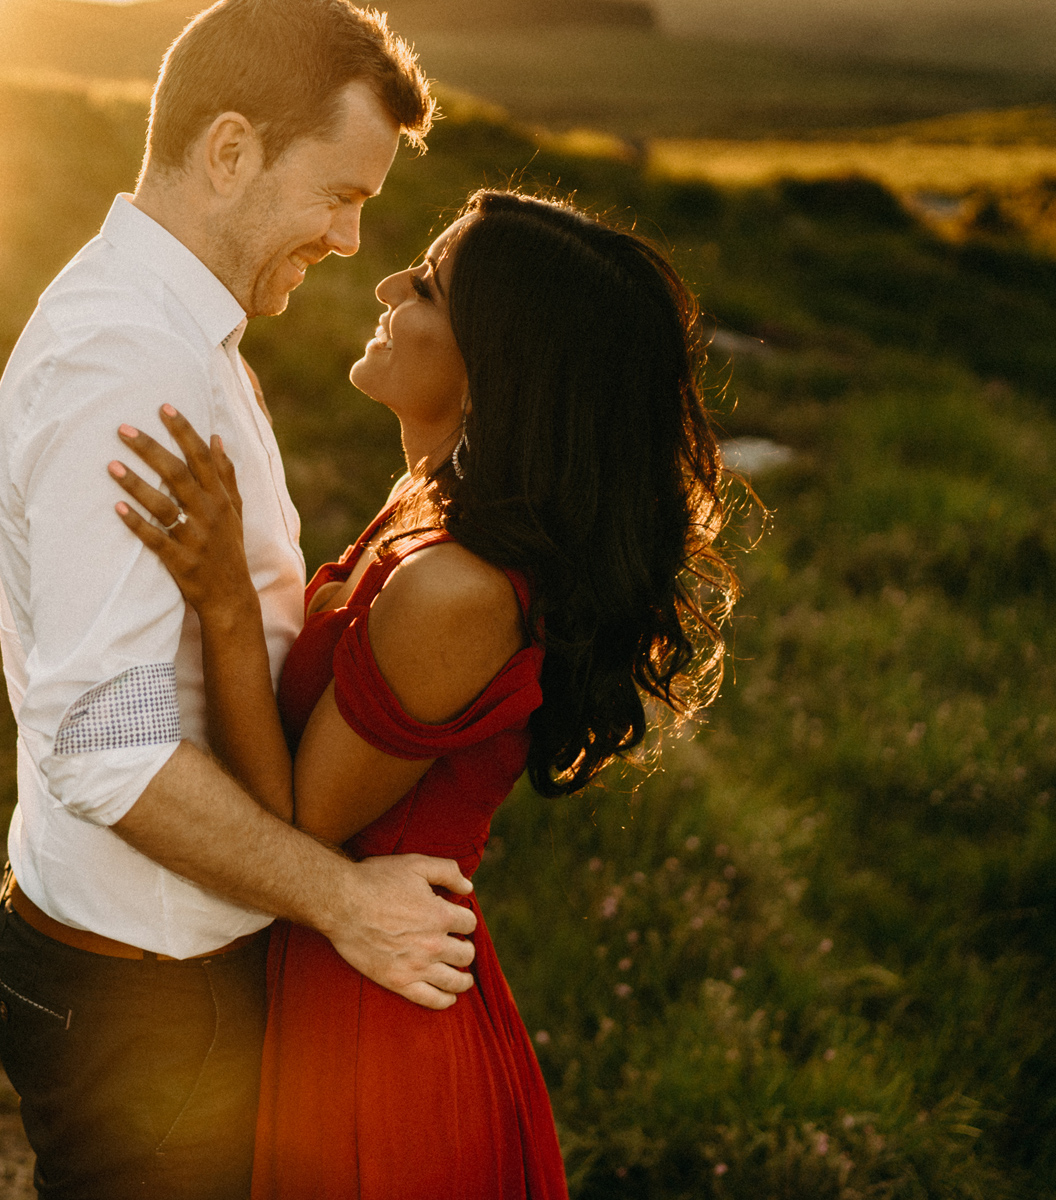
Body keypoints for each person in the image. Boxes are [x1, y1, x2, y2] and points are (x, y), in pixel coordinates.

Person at [109, 189, 738, 1197]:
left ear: (496, 368)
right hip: (326, 978)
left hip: (372, 1033)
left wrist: (226, 598)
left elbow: (302, 823)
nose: (388, 285)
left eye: (430, 287)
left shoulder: (457, 591)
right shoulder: (424, 503)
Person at [0, 2, 481, 1197]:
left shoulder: (181, 336)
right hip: (146, 1001)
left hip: (159, 972)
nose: (354, 240)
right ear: (229, 150)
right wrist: (341, 902)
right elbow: (108, 748)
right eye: (340, 195)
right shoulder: (129, 367)